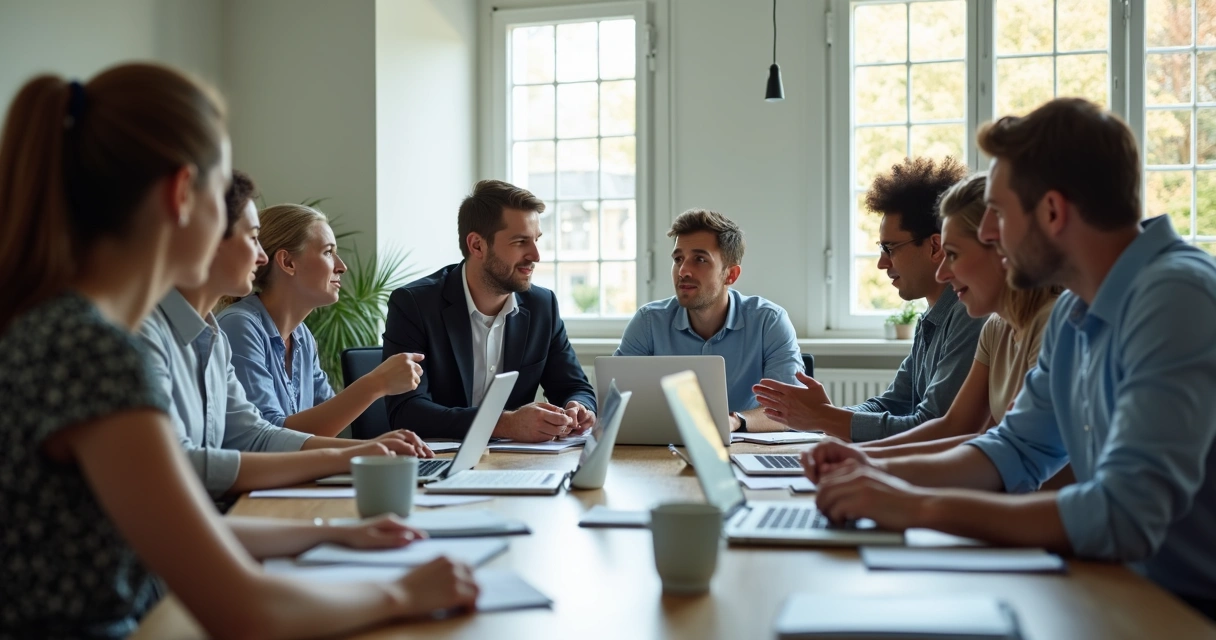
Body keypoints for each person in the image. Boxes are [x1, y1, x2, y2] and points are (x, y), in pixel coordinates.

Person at [0, 64, 477, 638]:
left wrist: (334, 531)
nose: (253, 245)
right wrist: (401, 591)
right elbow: (246, 609)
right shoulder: (92, 351)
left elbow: (179, 529)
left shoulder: (67, 331)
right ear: (181, 194)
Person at [803, 98, 1216, 622]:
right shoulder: (1075, 310)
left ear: (1051, 211)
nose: (990, 234)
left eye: (997, 212)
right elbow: (1015, 449)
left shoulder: (1174, 296)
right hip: (1120, 587)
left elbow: (1123, 514)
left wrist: (914, 506)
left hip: (1187, 609)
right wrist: (876, 469)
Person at [140, 171, 433, 499]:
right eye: (252, 238)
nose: (341, 266)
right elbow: (195, 463)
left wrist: (364, 450)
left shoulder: (220, 337)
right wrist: (372, 391)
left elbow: (259, 436)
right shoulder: (229, 326)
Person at [753, 156, 985, 442]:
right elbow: (892, 404)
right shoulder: (931, 319)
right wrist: (825, 414)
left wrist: (823, 417)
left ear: (935, 246)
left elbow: (931, 428)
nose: (881, 263)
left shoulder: (970, 314)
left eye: (890, 248)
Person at [856, 173, 1059, 459]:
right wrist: (859, 458)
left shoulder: (1053, 325)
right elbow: (957, 430)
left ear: (1000, 248)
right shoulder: (995, 327)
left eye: (953, 253)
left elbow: (1021, 464)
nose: (942, 272)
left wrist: (866, 461)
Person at [382, 179, 597, 441]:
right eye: (520, 242)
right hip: (439, 464)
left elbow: (574, 386)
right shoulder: (414, 304)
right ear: (477, 246)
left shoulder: (543, 306)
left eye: (536, 240)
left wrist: (579, 407)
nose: (536, 255)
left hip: (515, 462)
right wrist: (504, 424)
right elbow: (407, 411)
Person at [217, 204, 426, 436]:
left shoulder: (303, 338)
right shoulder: (239, 326)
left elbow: (323, 427)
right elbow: (269, 438)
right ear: (287, 262)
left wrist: (380, 449)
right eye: (328, 252)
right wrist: (377, 383)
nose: (342, 266)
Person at [615, 209, 801, 433]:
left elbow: (790, 411)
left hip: (746, 449)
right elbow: (616, 403)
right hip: (664, 450)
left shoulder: (768, 321)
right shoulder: (648, 322)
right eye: (678, 259)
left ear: (730, 275)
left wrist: (734, 421)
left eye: (700, 259)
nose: (683, 270)